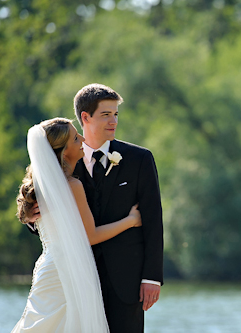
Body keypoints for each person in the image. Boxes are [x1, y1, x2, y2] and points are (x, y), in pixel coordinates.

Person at [13, 118, 143, 332]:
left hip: (48, 266)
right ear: (64, 152)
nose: (82, 139)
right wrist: (130, 221)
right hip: (68, 269)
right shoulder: (73, 185)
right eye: (75, 138)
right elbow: (90, 236)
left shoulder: (42, 184)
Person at [72, 83, 163, 332]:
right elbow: (49, 212)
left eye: (116, 114)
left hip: (128, 281)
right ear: (85, 117)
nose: (114, 121)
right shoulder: (66, 161)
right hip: (77, 277)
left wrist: (151, 277)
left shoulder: (139, 159)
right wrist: (33, 222)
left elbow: (154, 220)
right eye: (106, 115)